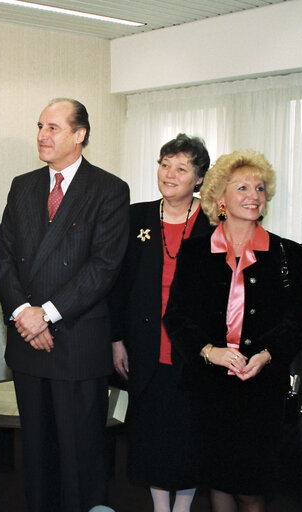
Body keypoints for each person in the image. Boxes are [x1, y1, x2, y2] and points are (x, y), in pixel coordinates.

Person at [0, 98, 130, 512]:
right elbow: (2, 256)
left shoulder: (108, 189)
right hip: (28, 343)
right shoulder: (23, 185)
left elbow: (103, 268)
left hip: (76, 341)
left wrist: (45, 314)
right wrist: (22, 315)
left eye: (53, 127)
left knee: (79, 453)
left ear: (79, 134)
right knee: (35, 452)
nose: (41, 136)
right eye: (39, 126)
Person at [164, 150, 302, 512]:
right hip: (209, 386)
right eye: (242, 187)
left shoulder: (287, 254)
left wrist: (266, 354)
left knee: (250, 486)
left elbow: (298, 321)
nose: (254, 195)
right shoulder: (196, 251)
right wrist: (208, 351)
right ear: (220, 199)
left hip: (259, 387)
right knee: (217, 480)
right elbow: (177, 316)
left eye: (260, 188)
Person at [108, 134, 212, 512]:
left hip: (195, 350)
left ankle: (182, 508)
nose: (170, 174)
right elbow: (117, 282)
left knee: (187, 434)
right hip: (144, 345)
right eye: (164, 164)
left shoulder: (214, 222)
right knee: (150, 432)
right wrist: (117, 339)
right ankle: (158, 506)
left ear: (199, 178)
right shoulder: (136, 216)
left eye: (182, 168)